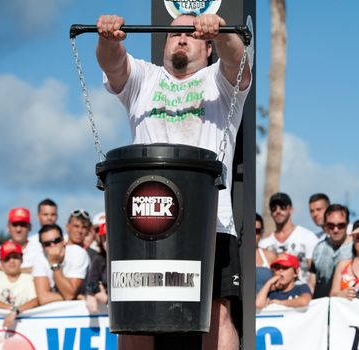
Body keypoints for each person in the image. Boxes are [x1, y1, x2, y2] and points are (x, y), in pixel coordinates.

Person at [96, 12, 252, 349]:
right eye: (173, 33)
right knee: (133, 320)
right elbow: (113, 64)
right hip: (145, 223)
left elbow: (238, 58)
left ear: (208, 47)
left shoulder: (219, 81)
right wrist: (107, 39)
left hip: (213, 224)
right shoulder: (144, 79)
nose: (181, 38)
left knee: (218, 314)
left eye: (191, 33)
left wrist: (221, 30)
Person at [259, 192, 319, 284]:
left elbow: (315, 273)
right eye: (273, 208)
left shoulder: (307, 237)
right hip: (274, 295)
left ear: (291, 210)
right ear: (271, 213)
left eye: (282, 207)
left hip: (303, 294)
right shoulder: (263, 244)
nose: (278, 211)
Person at [0, 241, 38, 329]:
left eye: (15, 257)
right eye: (7, 258)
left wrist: (15, 311)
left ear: (22, 260)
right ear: (1, 263)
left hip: (24, 326)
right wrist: (12, 309)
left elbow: (35, 301)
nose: (11, 261)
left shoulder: (28, 278)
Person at [32, 224, 90, 305]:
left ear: (63, 241)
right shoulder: (40, 258)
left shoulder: (78, 253)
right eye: (47, 243)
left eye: (56, 240)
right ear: (42, 246)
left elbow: (69, 295)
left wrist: (55, 264)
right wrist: (75, 296)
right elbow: (43, 298)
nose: (53, 245)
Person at [308, 204, 353, 299]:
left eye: (341, 225)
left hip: (346, 308)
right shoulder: (319, 248)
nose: (336, 230)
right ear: (325, 225)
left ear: (348, 224)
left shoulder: (356, 248)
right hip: (320, 307)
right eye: (331, 225)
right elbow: (311, 283)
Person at [0, 208, 42, 276]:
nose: (18, 229)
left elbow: (46, 272)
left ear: (30, 227)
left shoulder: (40, 250)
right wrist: (31, 270)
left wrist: (7, 271)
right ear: (8, 227)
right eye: (15, 225)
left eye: (23, 224)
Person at [85, 223, 108, 313]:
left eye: (113, 237)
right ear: (101, 240)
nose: (109, 242)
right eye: (105, 238)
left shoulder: (129, 258)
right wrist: (90, 294)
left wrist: (107, 300)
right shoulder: (99, 258)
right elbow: (91, 283)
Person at [256, 213, 276, 294]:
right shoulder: (236, 256)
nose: (253, 234)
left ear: (261, 232)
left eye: (257, 231)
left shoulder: (270, 256)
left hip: (267, 305)